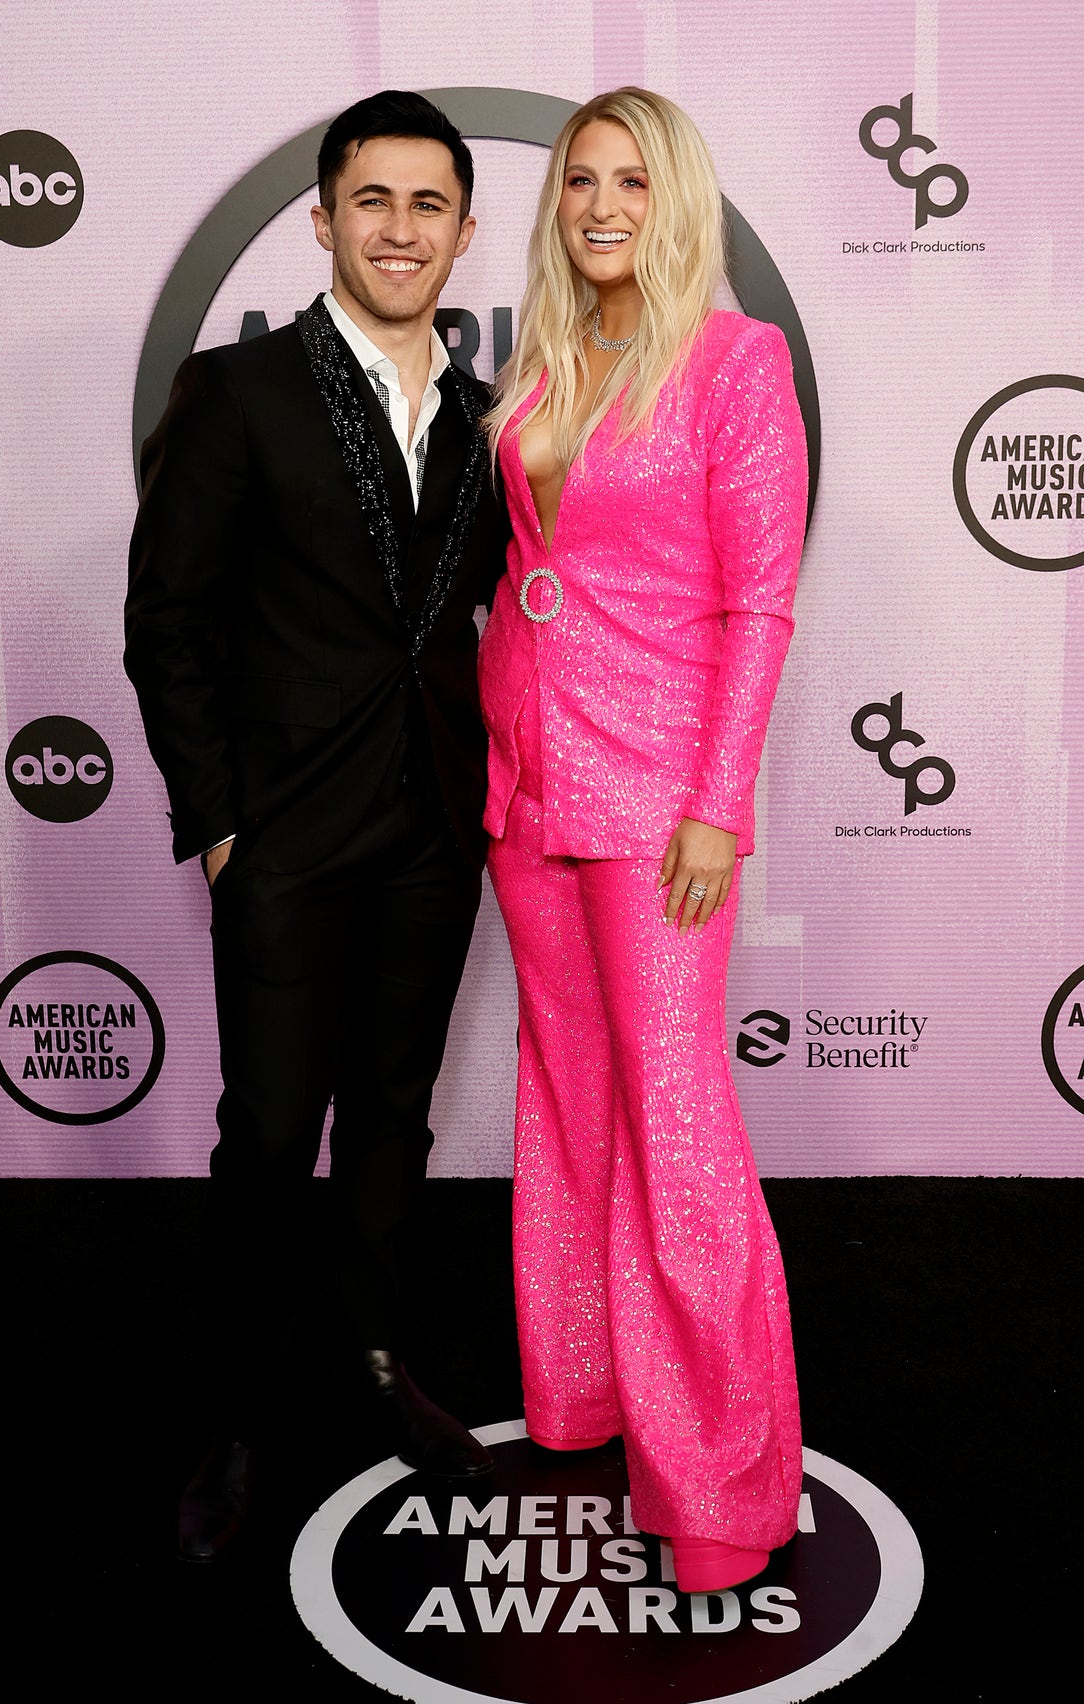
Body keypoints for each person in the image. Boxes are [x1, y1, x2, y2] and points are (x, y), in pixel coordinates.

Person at [125, 90, 507, 1562]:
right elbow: (169, 626)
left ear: (465, 234)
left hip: (433, 830)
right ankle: (233, 1411)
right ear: (326, 217)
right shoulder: (244, 394)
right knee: (271, 1135)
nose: (400, 228)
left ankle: (376, 1366)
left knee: (395, 1125)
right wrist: (219, 825)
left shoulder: (484, 419)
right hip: (281, 837)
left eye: (428, 206)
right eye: (373, 200)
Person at [479, 88, 806, 1594]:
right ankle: (588, 1396)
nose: (597, 205)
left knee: (677, 1133)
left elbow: (758, 606)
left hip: (662, 796)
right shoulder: (547, 354)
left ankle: (724, 1488)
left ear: (674, 196)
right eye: (575, 181)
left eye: (627, 180)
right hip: (527, 786)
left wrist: (720, 807)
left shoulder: (736, 368)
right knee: (568, 1097)